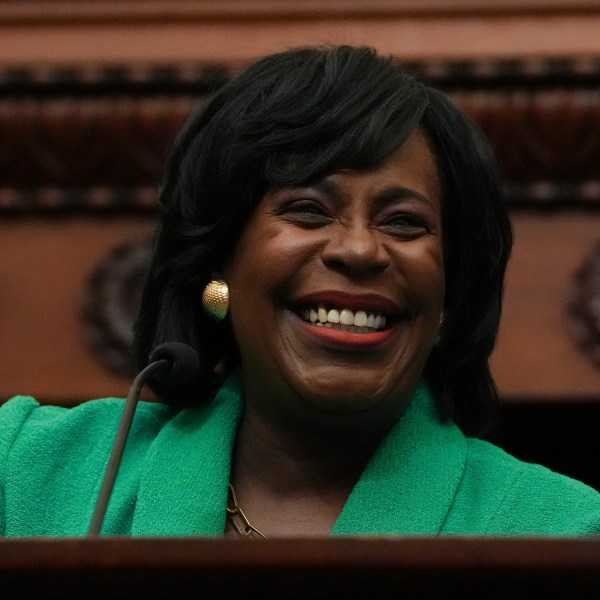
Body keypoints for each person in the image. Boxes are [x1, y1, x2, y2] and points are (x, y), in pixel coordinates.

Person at [2, 45, 599, 538]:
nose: (360, 250)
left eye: (404, 222)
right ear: (218, 266)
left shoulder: (563, 533)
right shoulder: (28, 471)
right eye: (308, 210)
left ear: (448, 299)